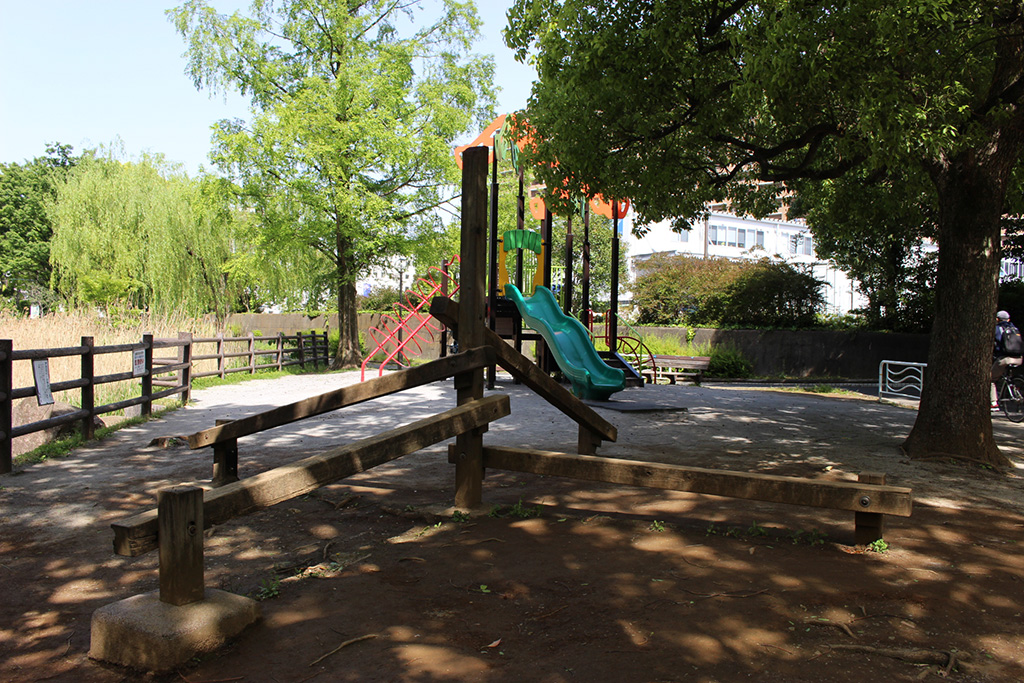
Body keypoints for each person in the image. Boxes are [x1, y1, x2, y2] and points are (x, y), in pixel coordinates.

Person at [991, 310, 1022, 410]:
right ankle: (1014, 387)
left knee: (990, 379)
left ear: (997, 319)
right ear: (1008, 319)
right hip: (1019, 358)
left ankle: (993, 403)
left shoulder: (997, 329)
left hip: (1005, 358)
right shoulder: (1014, 328)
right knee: (1008, 376)